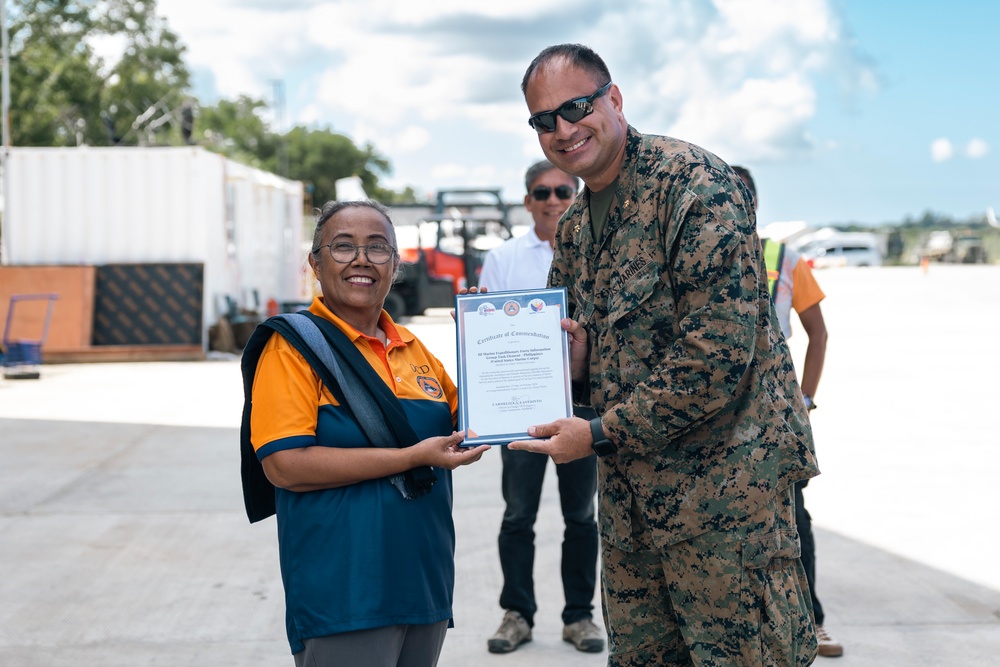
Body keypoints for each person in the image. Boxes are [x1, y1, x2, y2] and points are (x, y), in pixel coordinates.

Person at [509, 43, 821, 666]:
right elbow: (582, 352)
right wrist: (568, 369)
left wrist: (597, 431)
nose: (564, 129)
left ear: (615, 100)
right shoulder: (573, 229)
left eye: (577, 107)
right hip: (632, 512)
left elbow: (717, 355)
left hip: (725, 506)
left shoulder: (694, 185)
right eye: (545, 119)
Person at [243, 199, 490, 667]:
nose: (361, 259)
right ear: (315, 263)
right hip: (345, 594)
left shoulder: (416, 350)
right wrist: (411, 457)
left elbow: (474, 426)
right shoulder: (292, 348)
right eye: (343, 246)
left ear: (397, 266)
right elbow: (284, 465)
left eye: (378, 248)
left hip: (423, 583)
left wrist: (489, 346)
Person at [478, 161, 604, 654]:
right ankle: (517, 614)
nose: (553, 200)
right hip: (519, 407)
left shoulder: (599, 255)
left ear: (577, 196)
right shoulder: (503, 258)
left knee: (581, 516)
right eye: (542, 192)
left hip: (580, 405)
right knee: (518, 515)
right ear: (527, 200)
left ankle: (579, 618)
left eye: (563, 191)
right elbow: (486, 333)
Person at [733, 165, 842, 658]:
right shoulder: (694, 253)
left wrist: (807, 398)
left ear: (753, 203)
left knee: (794, 518)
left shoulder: (783, 257)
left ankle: (811, 621)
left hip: (776, 418)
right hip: (718, 420)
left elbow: (818, 333)